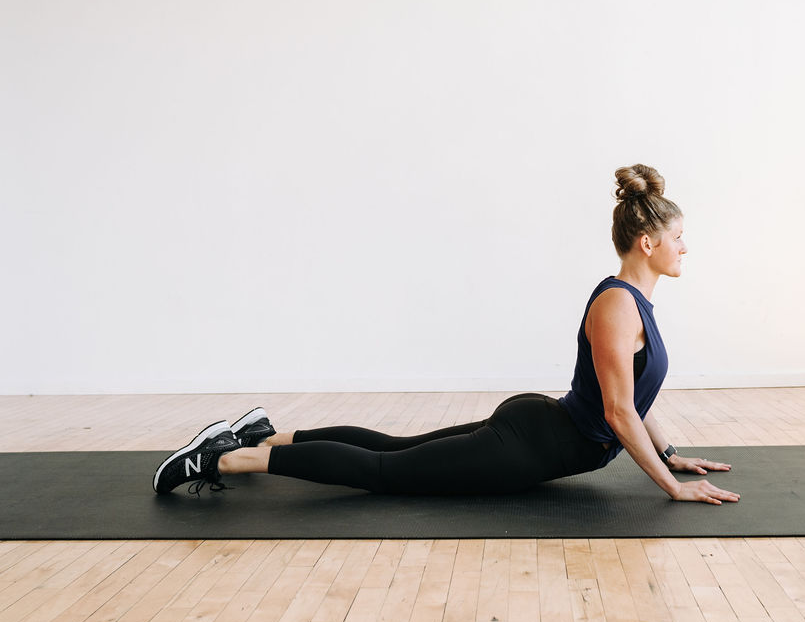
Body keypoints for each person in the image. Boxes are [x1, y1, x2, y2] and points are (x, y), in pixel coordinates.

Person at [153, 164, 740, 505]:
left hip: (539, 431)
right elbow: (618, 412)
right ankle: (223, 461)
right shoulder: (618, 306)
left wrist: (669, 454)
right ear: (648, 242)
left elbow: (636, 398)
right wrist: (671, 487)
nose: (686, 247)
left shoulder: (637, 303)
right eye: (679, 236)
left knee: (395, 449)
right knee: (384, 475)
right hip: (532, 445)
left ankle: (266, 434)